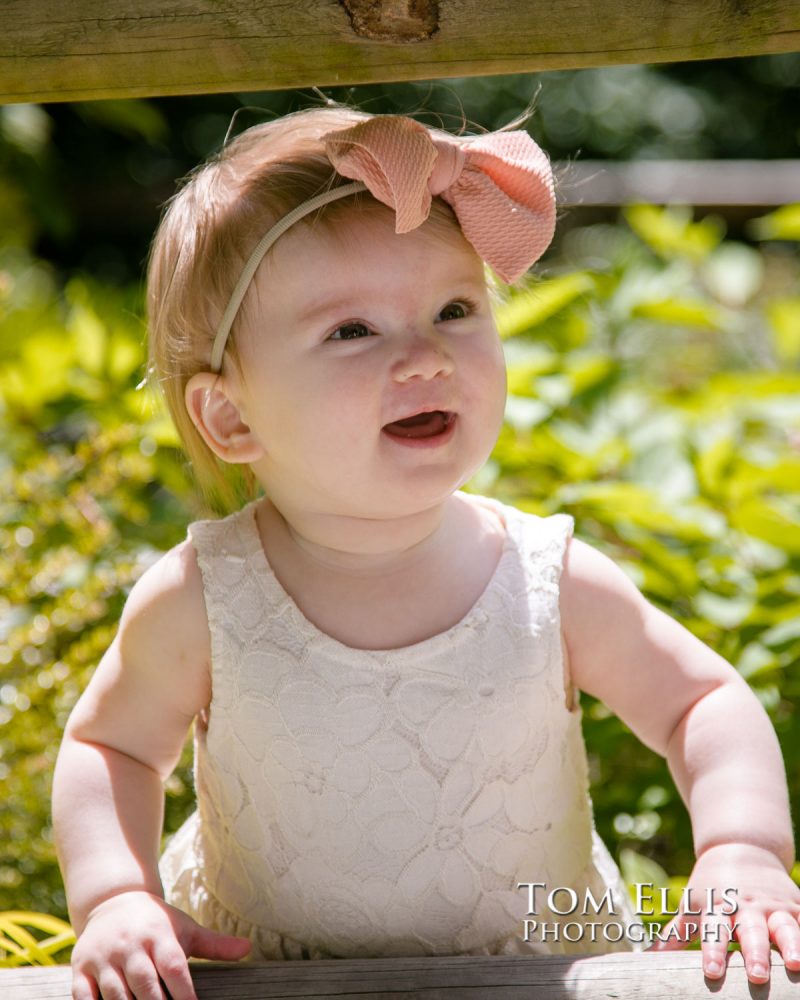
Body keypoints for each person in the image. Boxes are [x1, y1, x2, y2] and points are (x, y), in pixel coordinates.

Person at [52, 106, 799, 1000]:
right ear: (233, 417)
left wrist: (740, 850)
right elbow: (111, 749)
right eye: (352, 331)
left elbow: (701, 702)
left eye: (453, 308)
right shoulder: (206, 598)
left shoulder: (543, 581)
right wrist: (115, 897)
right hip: (274, 984)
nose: (424, 356)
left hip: (538, 968)